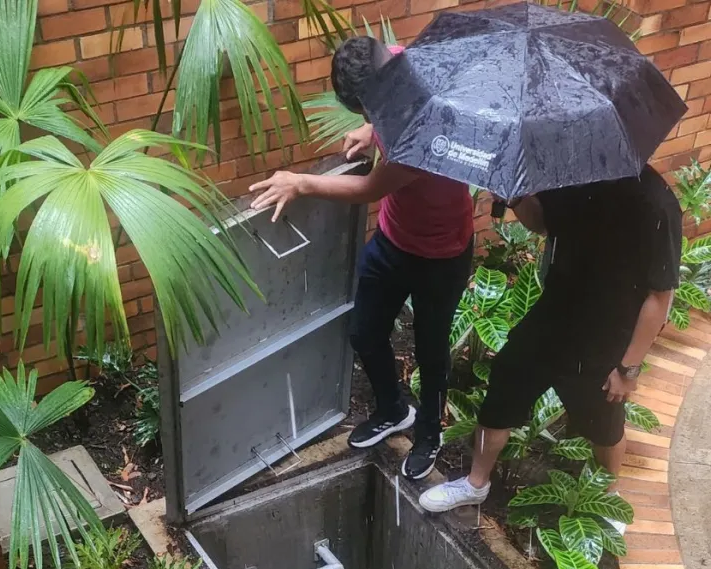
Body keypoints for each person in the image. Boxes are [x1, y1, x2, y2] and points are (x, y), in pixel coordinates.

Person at [248, 36, 474, 480]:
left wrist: (301, 183)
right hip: (393, 239)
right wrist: (372, 131)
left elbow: (370, 188)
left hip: (442, 254)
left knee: (431, 352)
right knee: (365, 332)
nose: (369, 119)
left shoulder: (423, 126)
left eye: (369, 112)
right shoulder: (394, 57)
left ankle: (429, 434)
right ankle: (393, 409)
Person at [419, 165, 682, 526]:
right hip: (554, 314)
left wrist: (628, 368)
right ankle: (475, 484)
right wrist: (515, 198)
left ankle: (608, 495)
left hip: (607, 331)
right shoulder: (573, 173)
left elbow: (660, 296)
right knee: (505, 385)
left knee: (604, 423)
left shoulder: (656, 202)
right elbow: (543, 223)